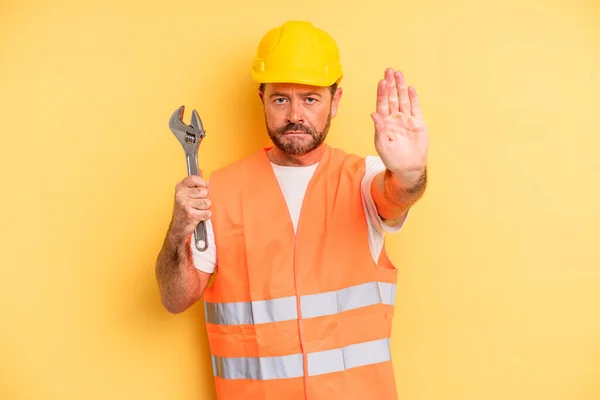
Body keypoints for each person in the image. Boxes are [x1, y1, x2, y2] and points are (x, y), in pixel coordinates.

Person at [155, 20, 428, 400]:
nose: (295, 115)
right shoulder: (221, 189)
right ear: (261, 100)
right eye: (281, 99)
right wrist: (178, 230)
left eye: (311, 99)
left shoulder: (363, 179)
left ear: (336, 100)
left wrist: (410, 171)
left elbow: (397, 197)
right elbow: (175, 298)